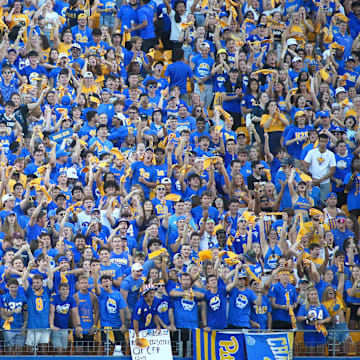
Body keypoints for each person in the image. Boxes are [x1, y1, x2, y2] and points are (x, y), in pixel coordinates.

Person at [49, 283, 82, 353]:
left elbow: (75, 313)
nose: (65, 291)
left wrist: (78, 325)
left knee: (64, 350)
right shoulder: (54, 298)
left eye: (67, 289)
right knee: (59, 350)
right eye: (63, 289)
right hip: (55, 328)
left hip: (65, 328)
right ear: (59, 291)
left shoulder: (71, 299)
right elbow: (51, 312)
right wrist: (52, 326)